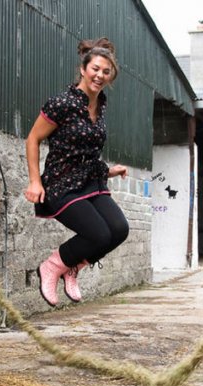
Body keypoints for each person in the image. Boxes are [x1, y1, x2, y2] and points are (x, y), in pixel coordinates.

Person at [24, 37, 129, 307]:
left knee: (118, 230)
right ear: (83, 69)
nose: (100, 75)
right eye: (95, 69)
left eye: (106, 71)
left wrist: (109, 171)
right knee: (99, 235)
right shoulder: (62, 103)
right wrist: (35, 181)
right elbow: (33, 139)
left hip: (90, 181)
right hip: (61, 185)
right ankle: (51, 266)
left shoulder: (100, 105)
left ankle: (73, 267)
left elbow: (85, 153)